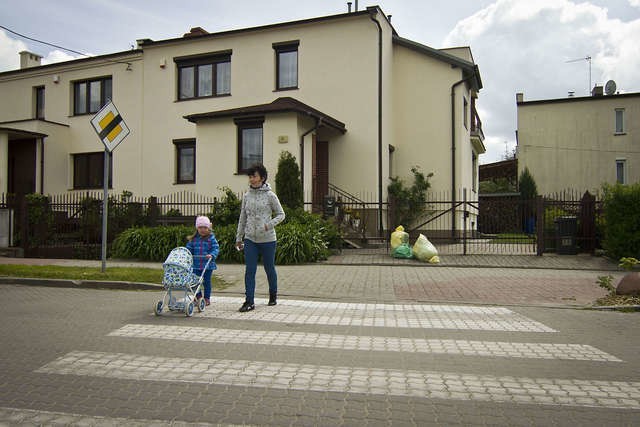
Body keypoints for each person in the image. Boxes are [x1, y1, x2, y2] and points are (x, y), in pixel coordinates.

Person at [235, 163, 285, 312]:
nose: (251, 179)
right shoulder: (246, 196)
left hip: (268, 239)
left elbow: (281, 214)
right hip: (250, 239)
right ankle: (249, 301)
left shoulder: (270, 195)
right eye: (250, 176)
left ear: (262, 178)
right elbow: (242, 217)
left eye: (254, 176)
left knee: (269, 268)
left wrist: (268, 225)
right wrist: (239, 237)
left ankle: (273, 295)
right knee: (250, 270)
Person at [186, 215, 219, 306]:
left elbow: (216, 248)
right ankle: (198, 297)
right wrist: (187, 254)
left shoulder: (211, 239)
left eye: (205, 227)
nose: (203, 230)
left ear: (208, 228)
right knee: (195, 282)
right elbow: (188, 249)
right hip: (196, 265)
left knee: (206, 282)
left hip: (207, 265)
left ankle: (207, 298)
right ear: (197, 228)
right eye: (200, 227)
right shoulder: (193, 240)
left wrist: (212, 255)